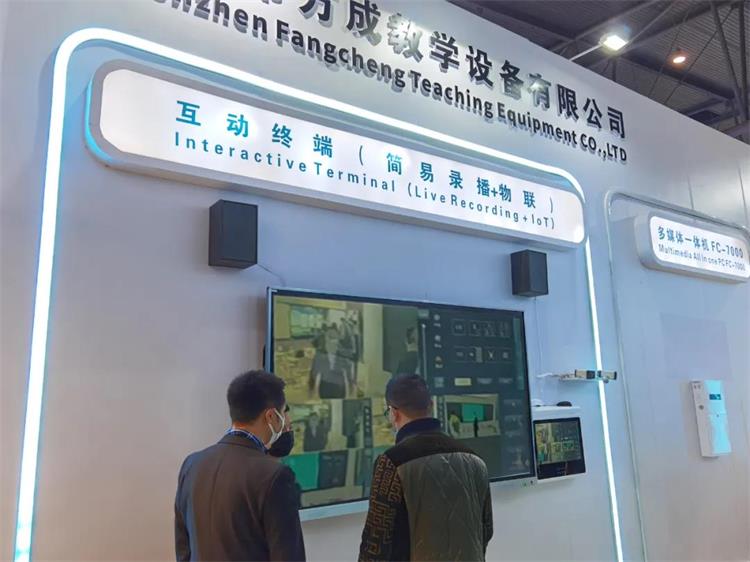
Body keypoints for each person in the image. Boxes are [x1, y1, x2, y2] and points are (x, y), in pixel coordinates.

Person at [358, 375, 493, 562]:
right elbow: (486, 530)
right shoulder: (475, 460)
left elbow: (375, 545)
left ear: (393, 413)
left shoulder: (392, 463)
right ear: (431, 405)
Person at [174, 370, 306, 561]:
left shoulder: (192, 464)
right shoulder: (274, 475)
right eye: (284, 411)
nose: (287, 421)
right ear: (271, 416)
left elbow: (183, 550)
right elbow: (288, 556)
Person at [309, 325, 349, 399]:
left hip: (338, 389)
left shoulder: (342, 355)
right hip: (325, 389)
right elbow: (314, 374)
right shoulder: (320, 356)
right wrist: (313, 389)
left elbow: (346, 374)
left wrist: (345, 393)